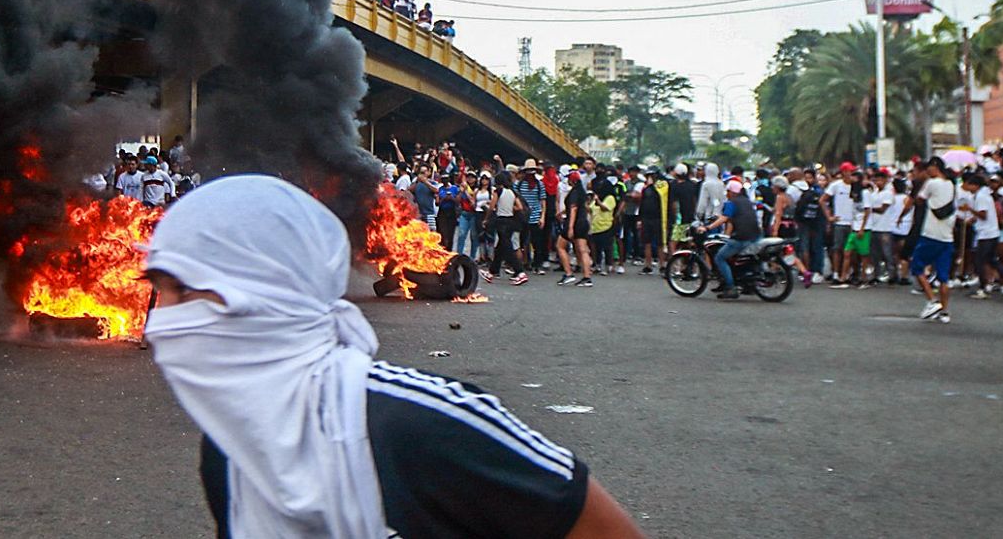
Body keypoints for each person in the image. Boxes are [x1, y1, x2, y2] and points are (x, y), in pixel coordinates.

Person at [141, 175, 640, 538]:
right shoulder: (225, 450)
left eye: (187, 292)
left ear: (270, 289)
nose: (162, 320)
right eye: (159, 292)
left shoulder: (427, 423)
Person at [910, 157, 958, 323]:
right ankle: (944, 311)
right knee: (944, 277)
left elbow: (919, 199)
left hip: (931, 234)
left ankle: (932, 301)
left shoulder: (931, 183)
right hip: (947, 236)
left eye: (928, 168)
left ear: (935, 167)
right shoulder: (951, 184)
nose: (927, 171)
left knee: (917, 266)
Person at [700, 179, 763, 300]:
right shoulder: (747, 201)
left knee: (720, 257)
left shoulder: (732, 203)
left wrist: (707, 227)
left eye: (728, 191)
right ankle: (746, 285)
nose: (727, 194)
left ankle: (730, 287)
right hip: (756, 235)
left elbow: (724, 218)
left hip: (742, 237)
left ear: (732, 192)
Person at [960, 171, 1003, 298]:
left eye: (969, 185)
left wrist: (969, 210)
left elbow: (983, 214)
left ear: (975, 185)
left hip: (987, 233)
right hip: (988, 232)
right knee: (990, 260)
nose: (968, 188)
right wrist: (971, 220)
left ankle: (983, 287)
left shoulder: (981, 196)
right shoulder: (981, 196)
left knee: (980, 261)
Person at [482, 170, 528, 285]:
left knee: (507, 247)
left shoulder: (498, 191)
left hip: (501, 220)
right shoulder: (512, 192)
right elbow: (520, 207)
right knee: (500, 247)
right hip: (511, 220)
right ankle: (492, 272)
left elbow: (492, 206)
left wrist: (487, 218)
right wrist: (510, 207)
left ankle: (520, 272)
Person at [556, 171, 595, 287]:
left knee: (560, 246)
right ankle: (587, 276)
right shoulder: (582, 192)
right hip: (583, 223)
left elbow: (573, 209)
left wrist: (570, 227)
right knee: (583, 250)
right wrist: (562, 212)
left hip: (574, 223)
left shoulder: (573, 192)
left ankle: (568, 273)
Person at [515, 161, 549, 273]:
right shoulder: (518, 184)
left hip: (535, 216)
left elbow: (543, 202)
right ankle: (523, 263)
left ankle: (537, 265)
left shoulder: (540, 185)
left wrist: (542, 217)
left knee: (537, 242)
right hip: (522, 217)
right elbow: (514, 200)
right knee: (522, 242)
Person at [636, 168, 669, 275]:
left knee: (660, 243)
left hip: (658, 218)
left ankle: (662, 265)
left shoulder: (663, 187)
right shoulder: (646, 189)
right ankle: (648, 265)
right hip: (646, 218)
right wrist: (640, 219)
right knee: (647, 242)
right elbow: (642, 204)